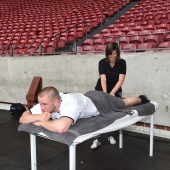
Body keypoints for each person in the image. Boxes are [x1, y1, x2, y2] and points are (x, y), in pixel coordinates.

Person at [19, 86, 149, 135]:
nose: (41, 108)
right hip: (87, 97)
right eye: (40, 104)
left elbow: (60, 128)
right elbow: (23, 118)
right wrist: (37, 116)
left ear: (56, 102)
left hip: (101, 101)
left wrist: (40, 121)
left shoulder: (71, 103)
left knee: (124, 103)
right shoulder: (46, 102)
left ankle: (141, 98)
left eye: (44, 105)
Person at [91, 42, 126, 149]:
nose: (112, 57)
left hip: (115, 91)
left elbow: (120, 80)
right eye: (110, 55)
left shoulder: (122, 63)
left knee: (113, 113)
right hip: (101, 90)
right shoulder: (102, 62)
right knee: (98, 114)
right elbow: (103, 79)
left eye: (114, 54)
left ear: (118, 53)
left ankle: (110, 134)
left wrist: (112, 93)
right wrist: (105, 94)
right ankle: (97, 138)